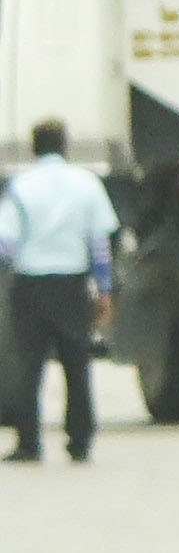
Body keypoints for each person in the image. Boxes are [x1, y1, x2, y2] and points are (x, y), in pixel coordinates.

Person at [0, 119, 117, 463]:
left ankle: (29, 443)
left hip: (30, 286)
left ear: (33, 148)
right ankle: (79, 441)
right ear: (66, 146)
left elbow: (6, 243)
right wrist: (104, 290)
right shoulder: (87, 184)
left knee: (29, 367)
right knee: (76, 365)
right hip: (72, 285)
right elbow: (99, 244)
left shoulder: (20, 185)